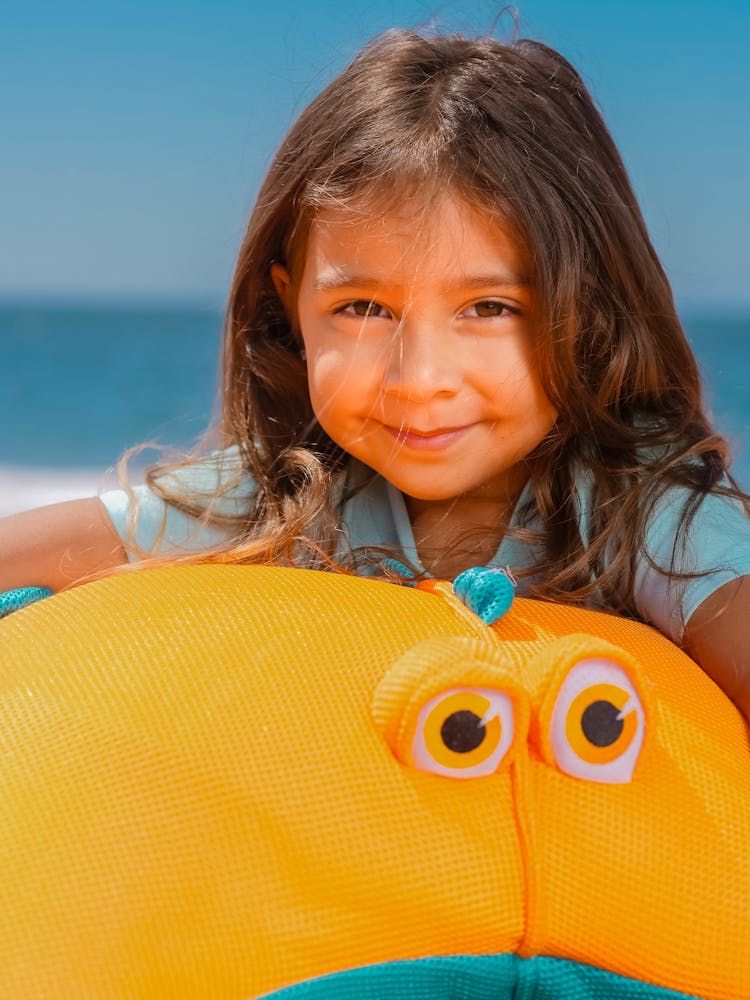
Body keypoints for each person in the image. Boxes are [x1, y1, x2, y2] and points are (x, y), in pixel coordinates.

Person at [2, 29, 749, 720]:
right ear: (289, 306)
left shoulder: (647, 514)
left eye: (489, 307)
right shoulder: (283, 500)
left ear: (591, 310)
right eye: (363, 308)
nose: (419, 379)